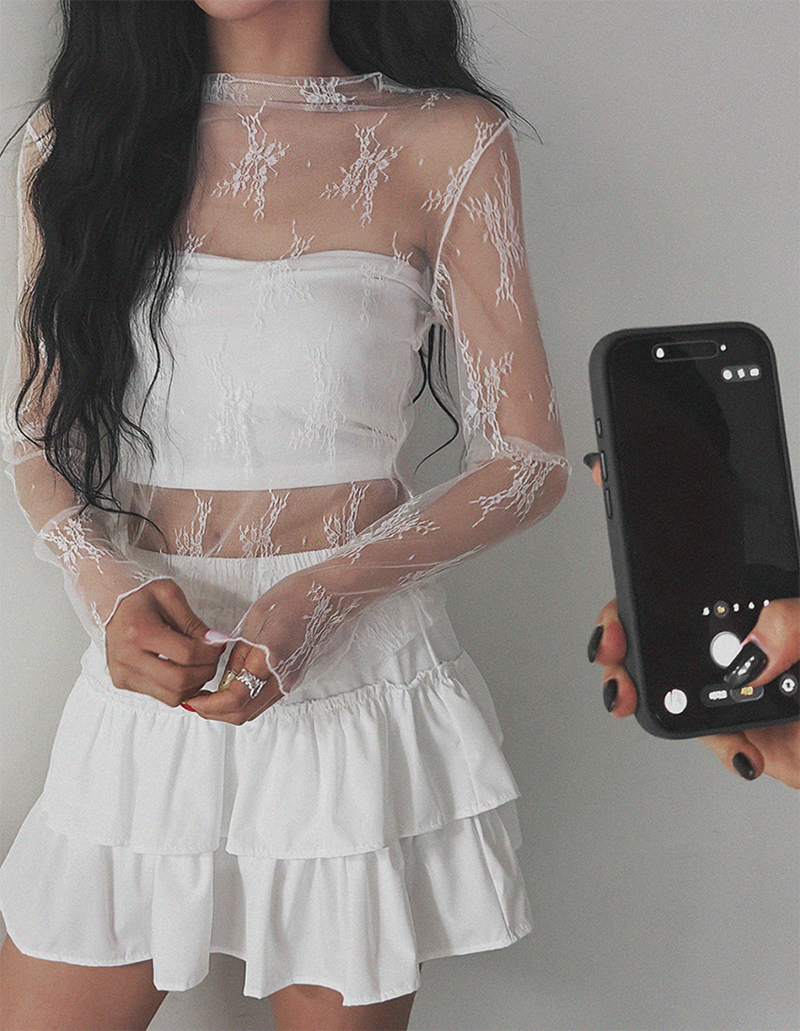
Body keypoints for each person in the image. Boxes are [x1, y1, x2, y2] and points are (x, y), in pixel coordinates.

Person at [0, 1, 570, 1028]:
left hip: (357, 688)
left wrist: (323, 595)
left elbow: (526, 460)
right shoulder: (79, 134)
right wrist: (108, 591)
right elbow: (34, 437)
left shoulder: (447, 139)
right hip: (151, 674)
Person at [584, 454, 800, 789]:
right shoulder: (668, 637)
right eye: (660, 494)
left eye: (698, 486)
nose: (683, 516)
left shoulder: (781, 594)